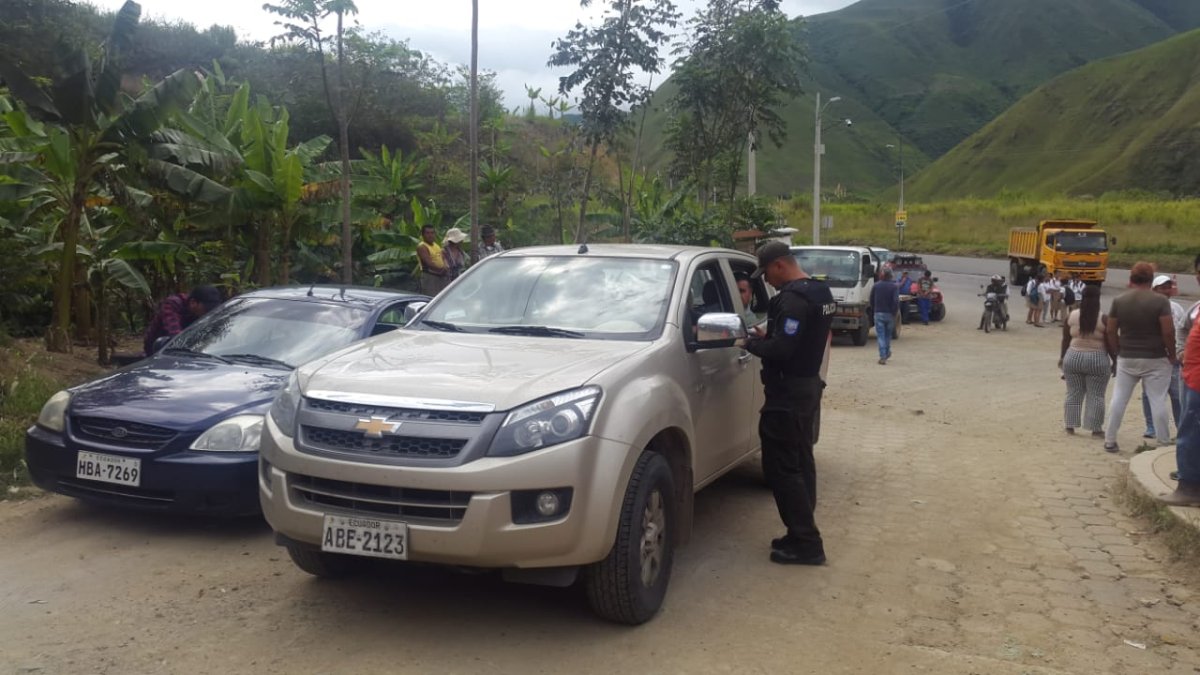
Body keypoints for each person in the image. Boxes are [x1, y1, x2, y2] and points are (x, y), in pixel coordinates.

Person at [743, 241, 834, 566]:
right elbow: (797, 338)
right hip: (807, 387)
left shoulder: (791, 300)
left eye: (766, 272)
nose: (766, 280)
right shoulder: (821, 293)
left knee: (782, 468)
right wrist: (769, 336)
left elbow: (782, 349)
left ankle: (807, 543)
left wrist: (748, 342)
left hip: (787, 395)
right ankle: (800, 532)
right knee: (801, 460)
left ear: (780, 265)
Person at [1103, 262, 1178, 452]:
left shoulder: (1119, 301)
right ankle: (1162, 442)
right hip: (1156, 357)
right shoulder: (1160, 301)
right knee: (1158, 400)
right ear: (1151, 279)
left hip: (1127, 357)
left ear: (1131, 278)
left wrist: (1117, 351)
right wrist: (1171, 353)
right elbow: (1168, 331)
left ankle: (1110, 439)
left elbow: (1111, 330)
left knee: (1119, 398)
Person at [1163, 259, 1200, 505]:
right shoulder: (1197, 307)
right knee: (1190, 431)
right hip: (1191, 377)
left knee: (1191, 433)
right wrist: (1180, 351)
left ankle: (1188, 488)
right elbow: (1182, 328)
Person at [1059, 285, 1113, 437]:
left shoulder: (1072, 316)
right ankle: (1095, 429)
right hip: (1097, 358)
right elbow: (1109, 343)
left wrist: (1063, 359)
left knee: (1073, 393)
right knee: (1096, 395)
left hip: (1073, 356)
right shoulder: (1103, 318)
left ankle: (1070, 426)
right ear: (1098, 299)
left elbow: (1065, 339)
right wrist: (1115, 360)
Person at [1141, 274, 1184, 439]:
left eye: (1168, 287)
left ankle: (1181, 427)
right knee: (1148, 394)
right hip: (1152, 356)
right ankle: (1151, 426)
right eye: (1162, 287)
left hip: (1172, 358)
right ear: (1154, 289)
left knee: (1176, 394)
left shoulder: (1177, 308)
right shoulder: (1146, 307)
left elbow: (1181, 331)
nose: (1166, 291)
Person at [142, 285, 222, 355]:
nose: (207, 314)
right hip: (156, 348)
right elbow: (175, 335)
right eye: (206, 309)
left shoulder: (199, 312)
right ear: (193, 302)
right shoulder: (173, 304)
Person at [870, 268, 899, 364]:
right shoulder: (894, 287)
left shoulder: (876, 286)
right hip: (890, 314)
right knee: (887, 335)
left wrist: (874, 309)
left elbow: (871, 299)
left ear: (882, 275)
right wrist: (894, 313)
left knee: (881, 336)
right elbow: (895, 301)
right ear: (890, 276)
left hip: (878, 313)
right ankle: (886, 353)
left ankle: (883, 356)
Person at [417, 225, 449, 296]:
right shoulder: (422, 246)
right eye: (427, 233)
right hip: (430, 276)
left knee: (443, 297)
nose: (430, 235)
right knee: (431, 298)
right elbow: (428, 263)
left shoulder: (436, 245)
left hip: (441, 275)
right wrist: (442, 269)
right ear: (423, 235)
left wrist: (446, 265)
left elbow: (443, 257)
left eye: (432, 233)